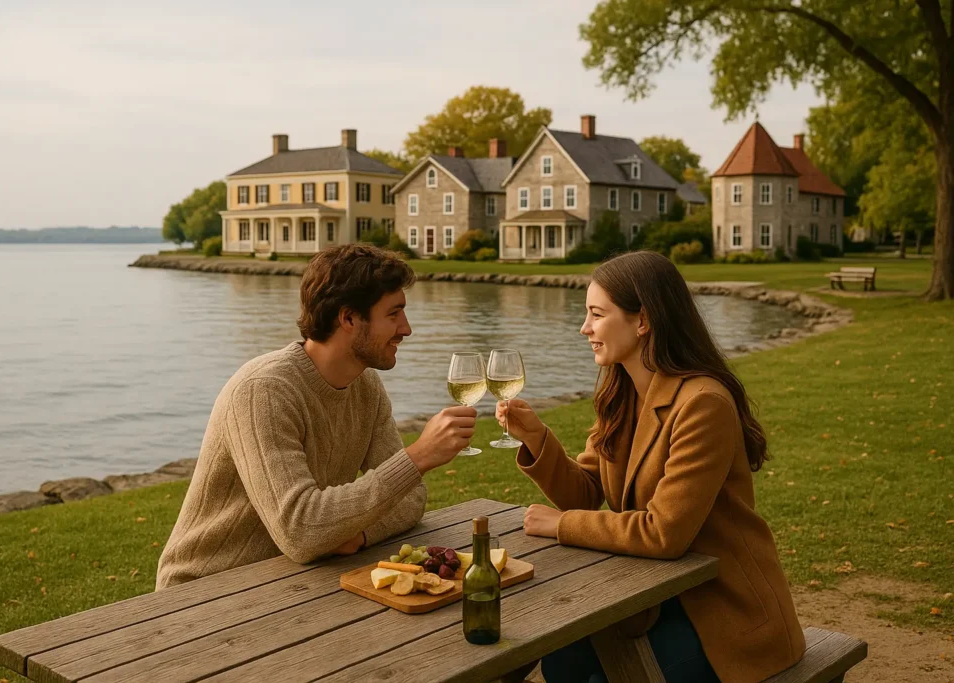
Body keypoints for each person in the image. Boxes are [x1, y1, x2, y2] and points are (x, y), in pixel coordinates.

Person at [496, 251, 804, 683]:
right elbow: (587, 490)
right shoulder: (621, 392)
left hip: (721, 612)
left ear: (642, 321)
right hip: (649, 593)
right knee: (561, 662)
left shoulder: (702, 404)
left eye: (596, 314)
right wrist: (535, 437)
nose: (584, 328)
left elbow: (664, 533)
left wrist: (562, 525)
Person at [157, 244, 476, 589]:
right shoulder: (263, 391)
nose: (406, 329)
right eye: (393, 314)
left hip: (294, 577)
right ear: (349, 318)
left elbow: (410, 499)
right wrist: (418, 457)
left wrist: (360, 534)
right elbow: (301, 530)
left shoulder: (366, 386)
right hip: (204, 590)